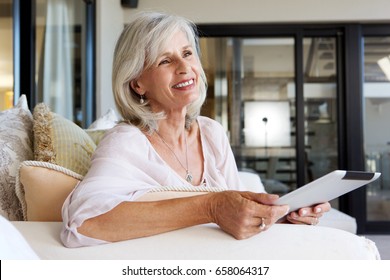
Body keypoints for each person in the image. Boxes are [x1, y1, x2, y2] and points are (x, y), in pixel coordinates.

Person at [61, 11, 330, 248]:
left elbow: (238, 219)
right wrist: (210, 207)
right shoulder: (125, 142)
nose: (184, 67)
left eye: (187, 53)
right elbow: (83, 223)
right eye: (165, 61)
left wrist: (282, 216)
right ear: (137, 84)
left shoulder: (212, 133)